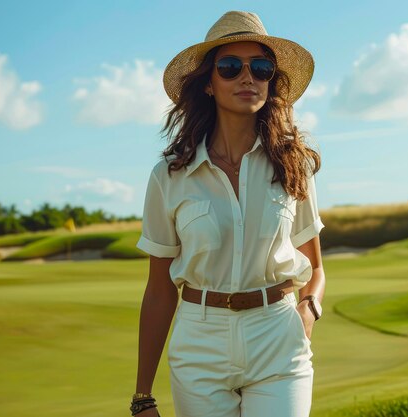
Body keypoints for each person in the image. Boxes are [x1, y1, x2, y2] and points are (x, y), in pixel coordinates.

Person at [130, 10, 326, 417]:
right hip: (200, 342)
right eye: (230, 66)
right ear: (208, 83)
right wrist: (142, 397)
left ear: (271, 82)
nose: (247, 77)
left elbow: (316, 268)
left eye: (261, 68)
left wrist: (308, 311)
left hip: (278, 338)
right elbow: (159, 290)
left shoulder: (293, 165)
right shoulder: (170, 175)